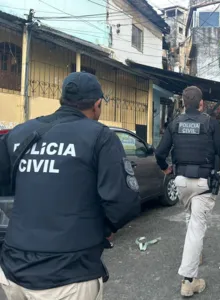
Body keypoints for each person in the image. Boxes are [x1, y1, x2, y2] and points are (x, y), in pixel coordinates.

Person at [0, 72, 141, 299]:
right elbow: (124, 202)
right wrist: (104, 230)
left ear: (62, 100)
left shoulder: (19, 132)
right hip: (70, 276)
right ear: (97, 105)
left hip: (13, 271)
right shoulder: (100, 137)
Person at [155, 86, 220, 297]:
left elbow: (160, 153)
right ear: (201, 104)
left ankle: (195, 254)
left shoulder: (175, 124)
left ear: (183, 103)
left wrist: (165, 168)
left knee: (191, 218)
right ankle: (189, 281)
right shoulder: (211, 123)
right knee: (197, 225)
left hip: (181, 182)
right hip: (204, 183)